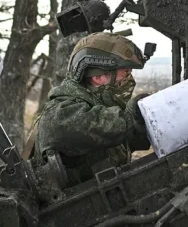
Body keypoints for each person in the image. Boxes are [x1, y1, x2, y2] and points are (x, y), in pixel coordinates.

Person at [32, 32, 150, 186]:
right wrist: (130, 118)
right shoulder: (59, 112)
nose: (129, 79)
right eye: (125, 73)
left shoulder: (99, 105)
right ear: (98, 77)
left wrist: (146, 121)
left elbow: (127, 139)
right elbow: (64, 127)